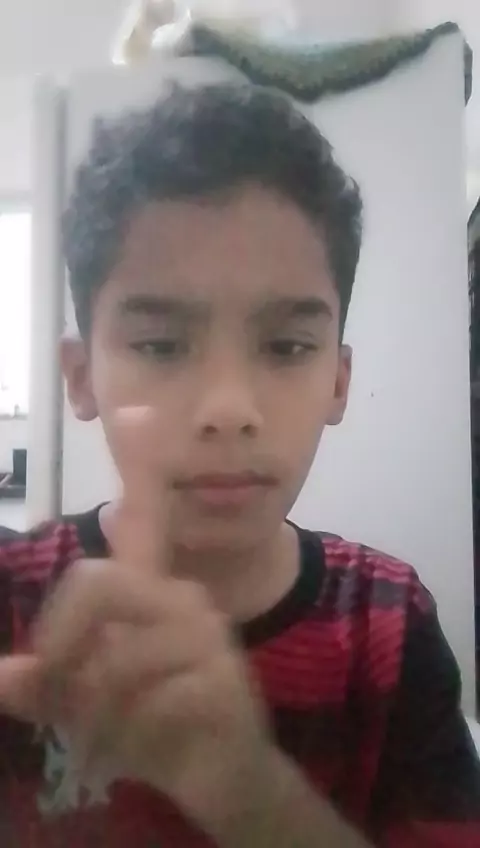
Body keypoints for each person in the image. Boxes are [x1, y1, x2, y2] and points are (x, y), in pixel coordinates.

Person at [0, 82, 478, 848]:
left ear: (338, 383)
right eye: (162, 345)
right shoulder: (14, 603)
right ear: (82, 378)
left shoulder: (388, 627)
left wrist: (254, 796)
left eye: (286, 346)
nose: (228, 407)